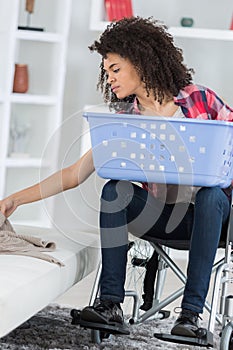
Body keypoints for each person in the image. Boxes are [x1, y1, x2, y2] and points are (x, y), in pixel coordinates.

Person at [0, 16, 233, 338]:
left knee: (210, 194)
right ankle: (110, 305)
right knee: (116, 188)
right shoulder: (127, 120)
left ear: (141, 62)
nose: (109, 78)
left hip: (216, 219)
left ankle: (191, 318)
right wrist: (13, 199)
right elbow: (73, 174)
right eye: (106, 71)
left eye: (115, 69)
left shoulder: (201, 100)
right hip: (164, 219)